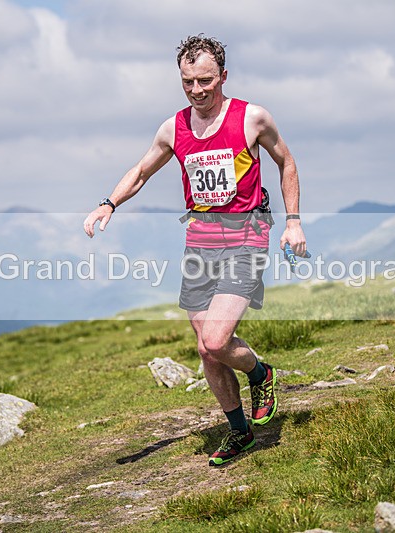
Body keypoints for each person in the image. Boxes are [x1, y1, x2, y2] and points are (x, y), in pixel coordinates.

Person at [83, 35, 307, 466]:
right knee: (205, 349)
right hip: (200, 240)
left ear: (223, 75)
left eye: (205, 80)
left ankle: (262, 373)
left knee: (217, 338)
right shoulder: (174, 128)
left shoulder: (252, 117)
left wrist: (293, 220)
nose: (197, 90)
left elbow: (287, 162)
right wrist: (108, 204)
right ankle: (239, 432)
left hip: (247, 234)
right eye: (188, 82)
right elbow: (142, 171)